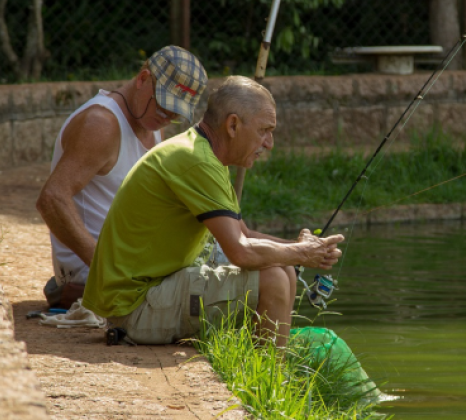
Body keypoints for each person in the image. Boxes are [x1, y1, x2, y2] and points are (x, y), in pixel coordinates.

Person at [82, 75, 344, 347]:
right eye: (264, 130)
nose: (269, 143)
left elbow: (244, 235)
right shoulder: (198, 162)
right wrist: (303, 253)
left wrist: (298, 247)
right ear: (232, 125)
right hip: (134, 309)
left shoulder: (201, 153)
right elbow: (241, 251)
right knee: (274, 278)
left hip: (141, 297)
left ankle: (270, 371)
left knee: (283, 268)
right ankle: (270, 382)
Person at [37, 45, 209, 309]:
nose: (167, 117)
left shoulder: (151, 127)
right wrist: (106, 270)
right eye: (163, 105)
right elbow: (51, 199)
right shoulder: (101, 123)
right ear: (142, 79)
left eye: (176, 113)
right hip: (94, 272)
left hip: (130, 265)